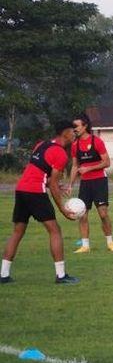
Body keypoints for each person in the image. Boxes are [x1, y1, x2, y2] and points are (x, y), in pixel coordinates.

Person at [1, 121, 80, 284]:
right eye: (72, 131)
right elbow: (51, 184)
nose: (75, 134)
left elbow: (40, 171)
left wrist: (54, 184)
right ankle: (61, 275)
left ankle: (3, 274)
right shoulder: (61, 154)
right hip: (35, 192)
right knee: (55, 230)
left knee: (17, 231)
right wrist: (64, 211)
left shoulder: (41, 144)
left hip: (21, 189)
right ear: (64, 133)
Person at [68, 112, 113, 253]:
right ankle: (85, 246)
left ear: (85, 126)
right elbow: (74, 166)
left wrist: (89, 168)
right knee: (82, 214)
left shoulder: (96, 141)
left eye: (76, 126)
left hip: (100, 181)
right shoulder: (74, 146)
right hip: (85, 184)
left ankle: (110, 243)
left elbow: (107, 162)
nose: (74, 129)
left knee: (103, 214)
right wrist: (70, 184)